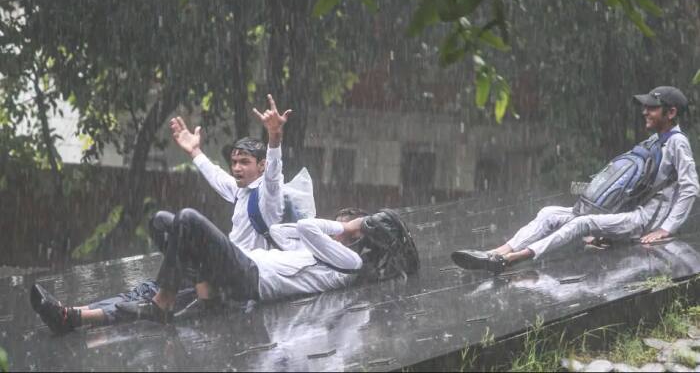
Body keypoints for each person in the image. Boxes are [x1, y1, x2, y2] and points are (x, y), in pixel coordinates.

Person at [30, 94, 293, 334]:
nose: (236, 168)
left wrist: (275, 138)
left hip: (235, 277)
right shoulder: (241, 191)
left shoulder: (269, 196)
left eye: (244, 162)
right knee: (161, 222)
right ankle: (73, 313)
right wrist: (194, 151)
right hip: (213, 271)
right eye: (234, 162)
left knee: (186, 221)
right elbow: (215, 175)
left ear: (261, 166)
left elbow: (273, 175)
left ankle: (99, 313)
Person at [452, 86, 699, 274]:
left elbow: (690, 188)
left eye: (652, 108)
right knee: (549, 212)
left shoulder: (678, 143)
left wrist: (667, 228)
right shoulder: (656, 139)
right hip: (623, 210)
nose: (645, 111)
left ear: (671, 112)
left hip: (641, 221)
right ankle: (495, 252)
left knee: (582, 223)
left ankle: (508, 261)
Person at [113, 208, 417, 323]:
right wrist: (344, 230)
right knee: (162, 221)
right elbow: (281, 232)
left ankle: (162, 304)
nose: (340, 225)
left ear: (358, 237)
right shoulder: (320, 253)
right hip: (244, 265)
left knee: (188, 218)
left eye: (349, 226)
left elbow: (309, 227)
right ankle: (206, 297)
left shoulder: (351, 262)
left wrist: (349, 227)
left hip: (251, 278)